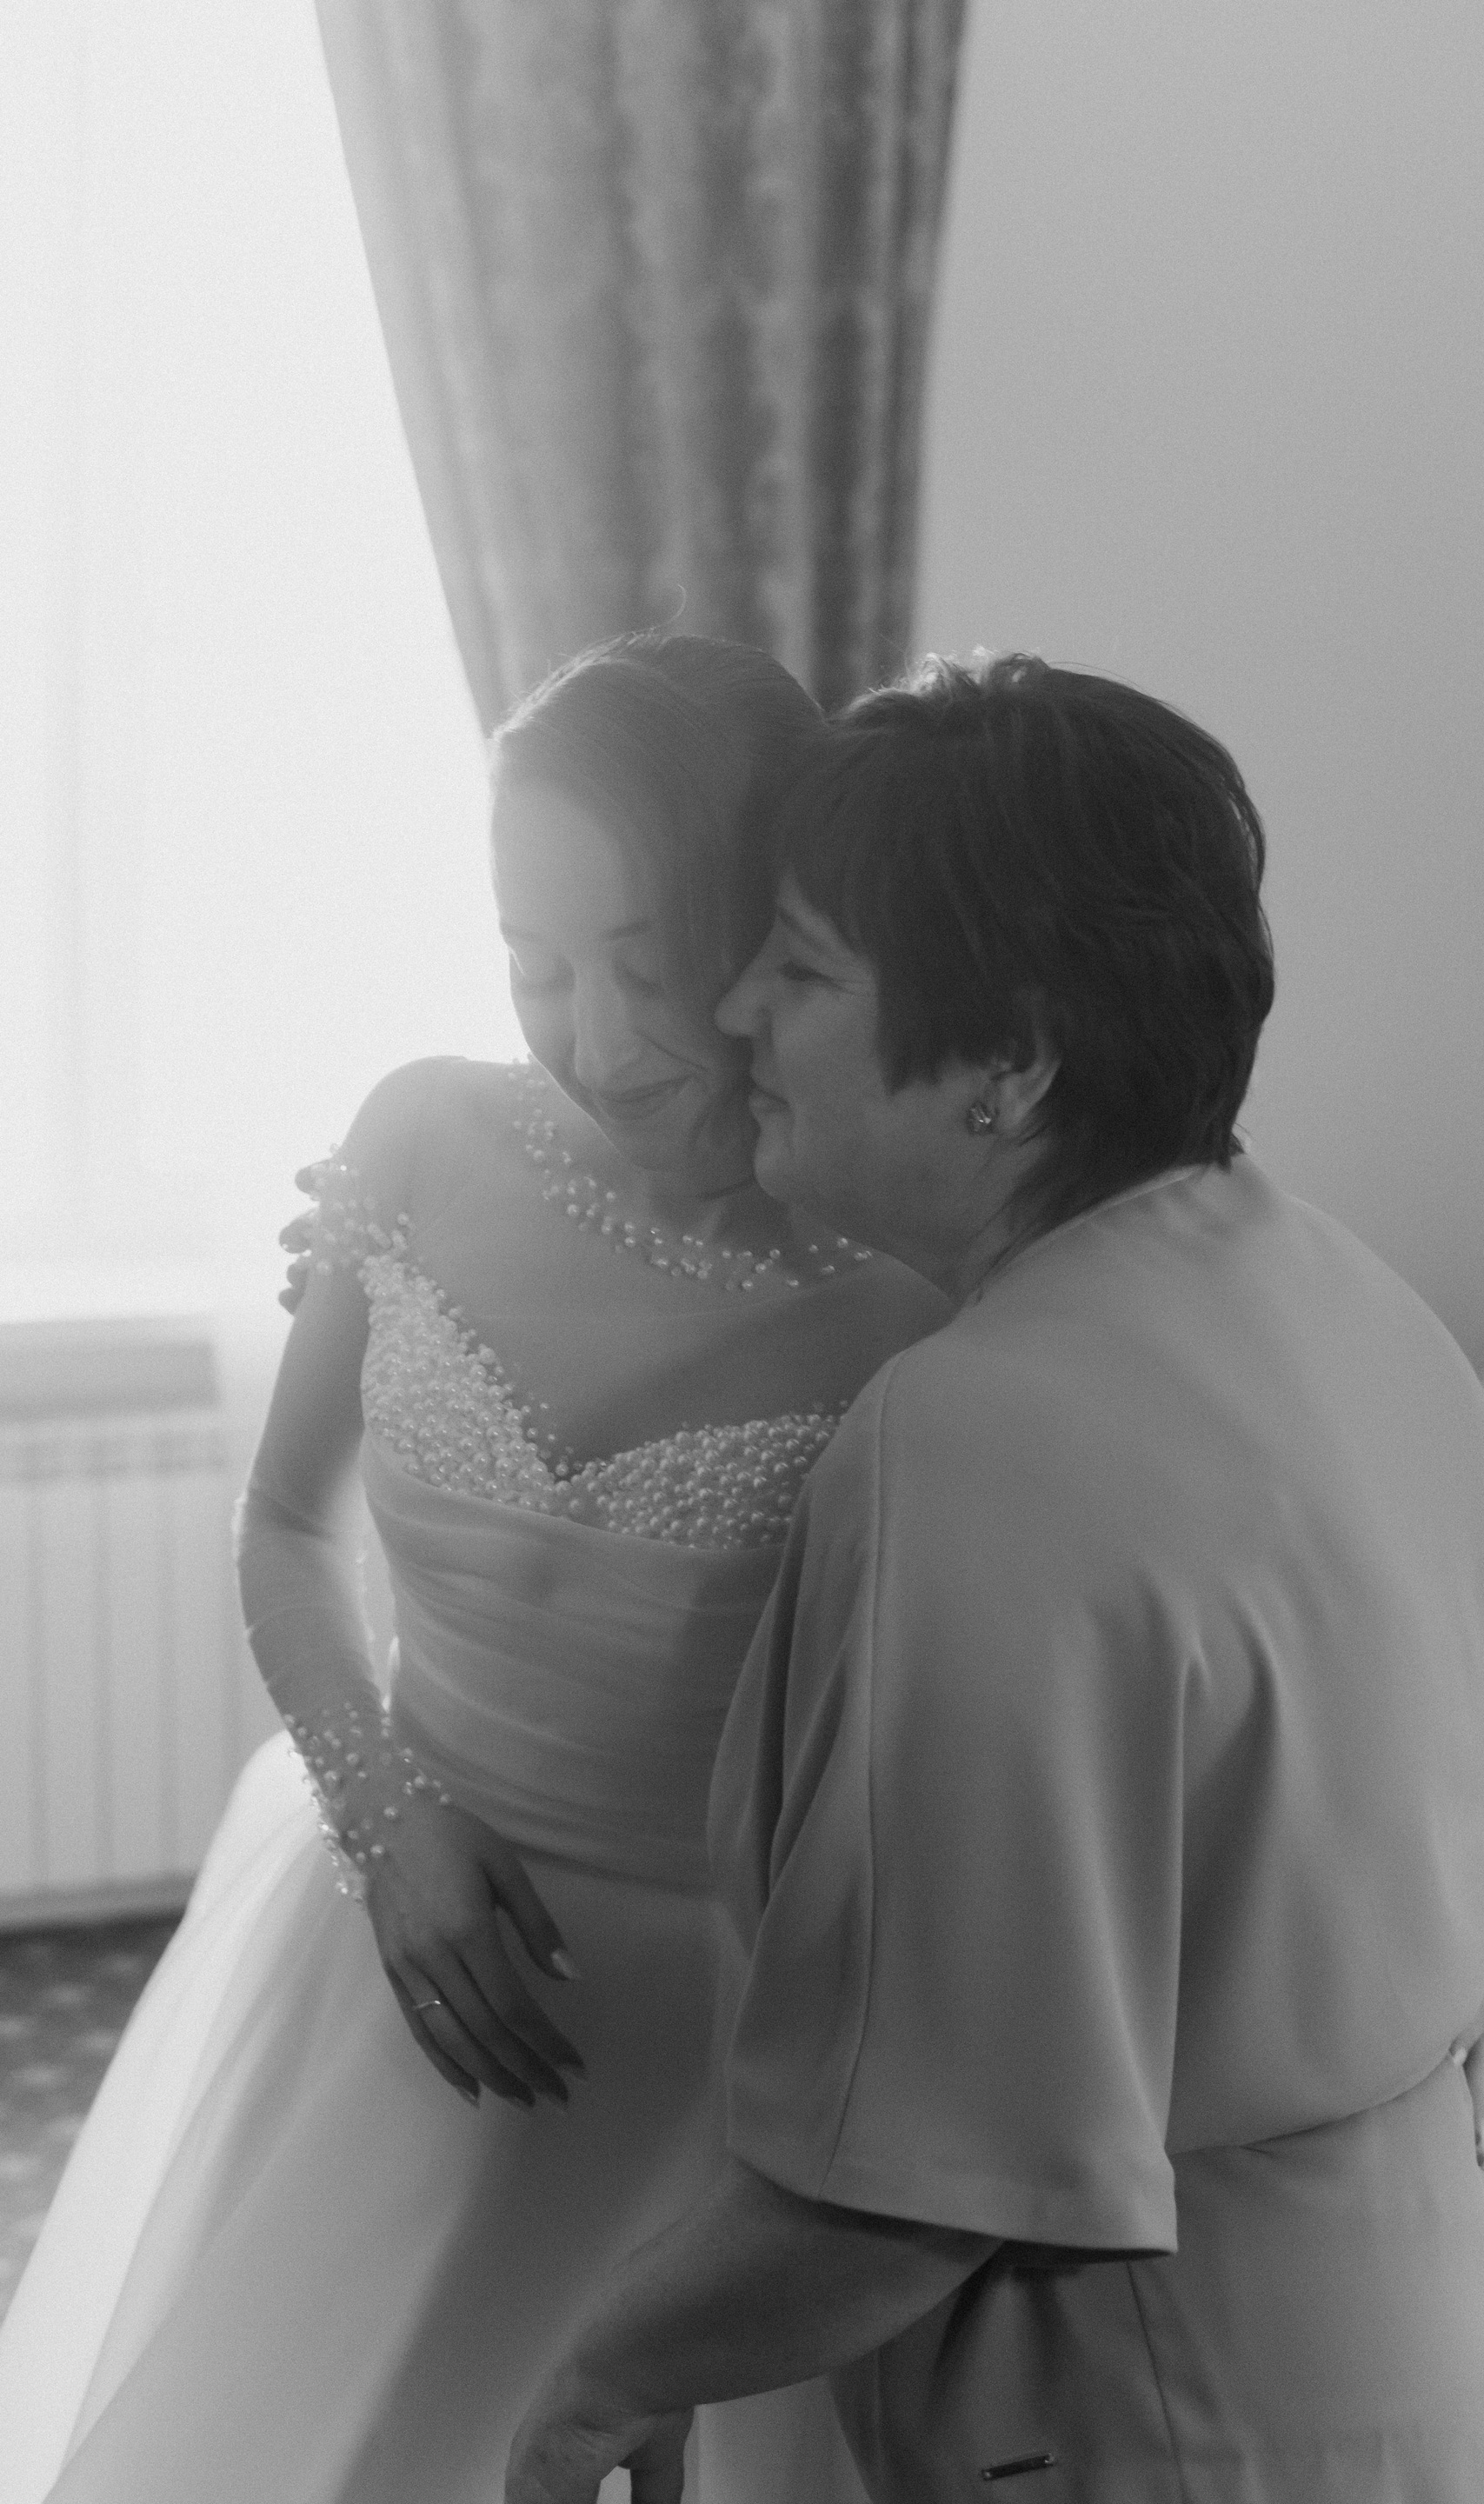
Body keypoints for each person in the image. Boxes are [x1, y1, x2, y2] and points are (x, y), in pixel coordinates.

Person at [505, 652, 1484, 2504]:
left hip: (1161, 2412)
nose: (736, 1010)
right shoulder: (1362, 1306)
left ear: (1011, 1063)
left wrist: (598, 2379)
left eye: (801, 969)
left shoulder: (969, 1446)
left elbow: (912, 2184)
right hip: (1426, 2340)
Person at [0, 635, 945, 2504]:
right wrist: (391, 1827)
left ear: (772, 935)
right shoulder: (420, 1136)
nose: (595, 1040)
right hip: (396, 1942)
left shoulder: (903, 1298)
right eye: (534, 963)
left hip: (713, 2036)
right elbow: (286, 1523)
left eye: (649, 968)